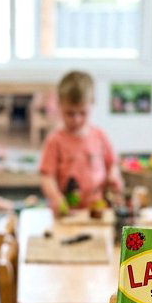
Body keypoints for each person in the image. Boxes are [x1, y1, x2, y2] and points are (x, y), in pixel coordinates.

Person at [39, 71, 123, 214]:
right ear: (59, 105)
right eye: (70, 113)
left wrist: (113, 176)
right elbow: (47, 176)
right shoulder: (54, 140)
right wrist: (55, 197)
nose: (76, 119)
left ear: (92, 104)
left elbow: (112, 165)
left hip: (98, 210)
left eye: (83, 113)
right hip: (67, 213)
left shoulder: (99, 136)